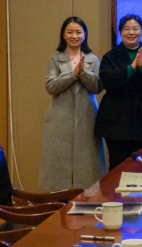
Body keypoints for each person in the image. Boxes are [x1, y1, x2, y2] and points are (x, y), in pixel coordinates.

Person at [38, 17, 106, 190]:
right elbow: (50, 86)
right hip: (60, 118)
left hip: (87, 116)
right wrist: (72, 74)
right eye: (70, 32)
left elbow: (97, 87)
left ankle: (87, 200)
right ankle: (59, 200)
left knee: (88, 166)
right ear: (63, 35)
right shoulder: (55, 59)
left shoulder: (92, 59)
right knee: (58, 166)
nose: (74, 36)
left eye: (78, 32)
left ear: (85, 34)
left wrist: (83, 73)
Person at [95, 15, 142, 170]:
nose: (131, 32)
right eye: (126, 29)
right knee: (117, 163)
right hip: (116, 119)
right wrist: (132, 68)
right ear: (120, 32)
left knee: (140, 164)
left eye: (135, 28)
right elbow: (107, 80)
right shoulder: (111, 56)